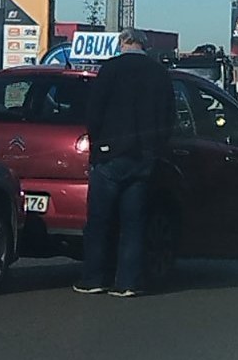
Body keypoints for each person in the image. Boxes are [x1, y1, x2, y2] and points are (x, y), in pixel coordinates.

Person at [74, 27, 174, 297]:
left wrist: (98, 145)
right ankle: (128, 282)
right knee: (134, 224)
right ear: (143, 44)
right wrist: (155, 147)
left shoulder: (111, 70)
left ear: (123, 42)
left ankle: (94, 278)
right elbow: (168, 116)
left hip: (110, 156)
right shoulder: (159, 73)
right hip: (143, 157)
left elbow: (94, 111)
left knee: (99, 222)